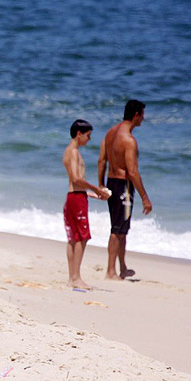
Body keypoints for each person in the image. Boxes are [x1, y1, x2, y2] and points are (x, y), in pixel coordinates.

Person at [98, 99, 153, 280]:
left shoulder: (110, 132)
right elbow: (133, 172)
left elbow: (101, 161)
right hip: (124, 187)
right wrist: (145, 197)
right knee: (117, 230)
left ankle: (122, 267)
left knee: (122, 229)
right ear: (136, 115)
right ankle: (110, 271)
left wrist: (101, 186)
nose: (143, 119)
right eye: (142, 115)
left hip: (111, 182)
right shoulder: (129, 140)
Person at [63, 119, 109, 290]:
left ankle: (72, 278)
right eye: (88, 136)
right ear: (79, 134)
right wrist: (96, 188)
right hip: (76, 199)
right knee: (82, 237)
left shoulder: (69, 151)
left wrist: (93, 194)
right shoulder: (73, 152)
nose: (89, 139)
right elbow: (76, 179)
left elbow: (74, 185)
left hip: (73, 196)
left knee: (74, 238)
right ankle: (76, 277)